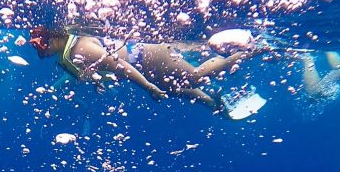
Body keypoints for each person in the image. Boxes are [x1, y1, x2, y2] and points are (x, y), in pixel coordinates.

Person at [27, 26, 259, 116]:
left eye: (42, 45)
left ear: (54, 36)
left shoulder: (81, 47)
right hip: (144, 64)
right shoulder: (66, 54)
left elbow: (121, 66)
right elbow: (98, 70)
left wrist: (148, 87)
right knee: (178, 89)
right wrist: (99, 81)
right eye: (37, 49)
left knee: (193, 78)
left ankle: (246, 52)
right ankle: (214, 104)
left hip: (149, 57)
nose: (42, 52)